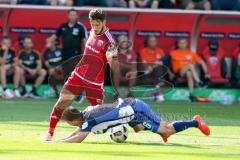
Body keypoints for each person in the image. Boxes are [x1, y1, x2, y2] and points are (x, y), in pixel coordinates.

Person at [43, 8, 119, 141]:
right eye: (92, 24)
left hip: (94, 83)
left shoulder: (109, 42)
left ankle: (115, 125)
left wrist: (111, 58)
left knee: (96, 116)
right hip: (77, 76)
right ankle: (49, 133)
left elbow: (113, 65)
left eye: (97, 24)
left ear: (104, 22)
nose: (95, 27)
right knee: (61, 103)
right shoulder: (91, 31)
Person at [50, 98, 210, 143]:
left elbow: (79, 137)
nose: (71, 125)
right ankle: (160, 129)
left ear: (74, 119)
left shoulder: (90, 118)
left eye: (69, 122)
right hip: (128, 109)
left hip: (136, 110)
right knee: (138, 129)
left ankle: (196, 122)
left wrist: (58, 142)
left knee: (166, 129)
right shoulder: (86, 113)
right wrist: (62, 139)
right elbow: (78, 130)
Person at [51, 9, 87, 77]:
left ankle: (76, 87)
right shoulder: (63, 26)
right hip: (64, 53)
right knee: (66, 72)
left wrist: (86, 53)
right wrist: (50, 43)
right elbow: (54, 37)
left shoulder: (80, 27)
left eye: (74, 15)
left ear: (77, 16)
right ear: (68, 16)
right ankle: (66, 86)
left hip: (76, 53)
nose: (72, 17)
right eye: (71, 15)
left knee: (75, 72)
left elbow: (85, 41)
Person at [139, 36, 166, 102]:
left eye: (154, 41)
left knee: (159, 69)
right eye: (151, 41)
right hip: (147, 71)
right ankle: (158, 94)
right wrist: (155, 64)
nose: (153, 42)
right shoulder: (143, 51)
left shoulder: (160, 51)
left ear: (156, 42)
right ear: (147, 42)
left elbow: (162, 63)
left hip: (157, 71)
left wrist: (153, 65)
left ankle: (158, 93)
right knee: (157, 69)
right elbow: (144, 65)